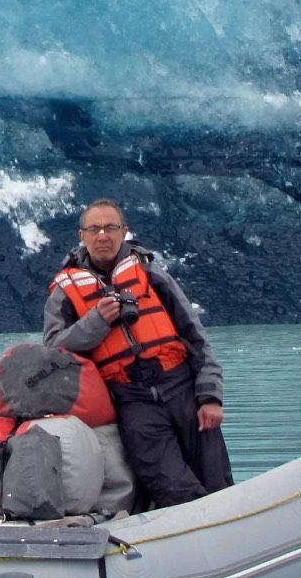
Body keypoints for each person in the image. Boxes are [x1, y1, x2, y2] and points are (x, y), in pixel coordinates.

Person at [43, 199, 232, 510]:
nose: (102, 235)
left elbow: (196, 337)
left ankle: (232, 533)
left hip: (182, 388)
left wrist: (210, 396)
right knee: (171, 486)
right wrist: (97, 321)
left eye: (111, 227)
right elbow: (54, 349)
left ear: (124, 232)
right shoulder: (65, 290)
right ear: (82, 235)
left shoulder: (150, 273)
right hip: (131, 401)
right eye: (94, 229)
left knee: (217, 481)